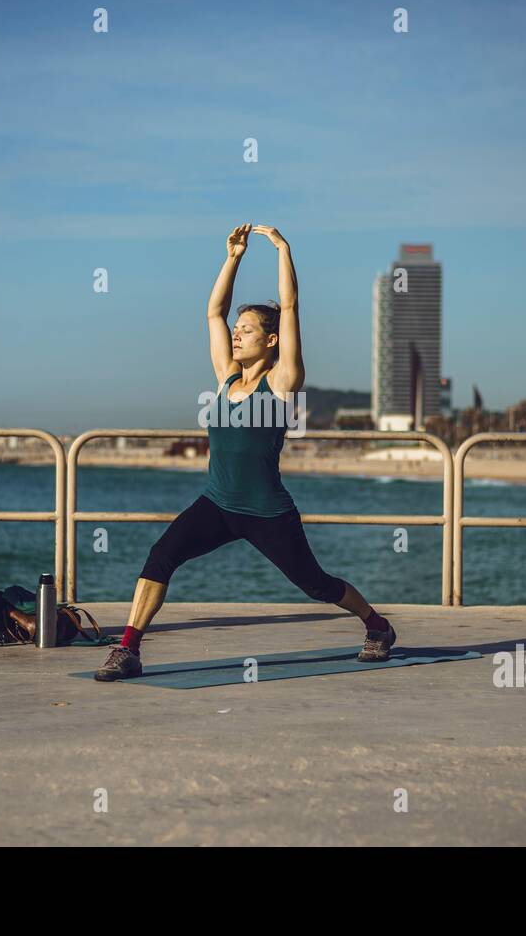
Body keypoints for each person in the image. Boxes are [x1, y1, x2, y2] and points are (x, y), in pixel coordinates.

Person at [95, 224, 395, 681]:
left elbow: (290, 306)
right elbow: (213, 312)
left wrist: (281, 250)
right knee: (160, 556)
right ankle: (128, 649)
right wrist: (233, 256)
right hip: (216, 504)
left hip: (266, 511)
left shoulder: (282, 382)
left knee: (315, 584)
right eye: (237, 330)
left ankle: (376, 625)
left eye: (248, 330)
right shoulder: (227, 377)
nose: (236, 335)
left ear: (270, 340)